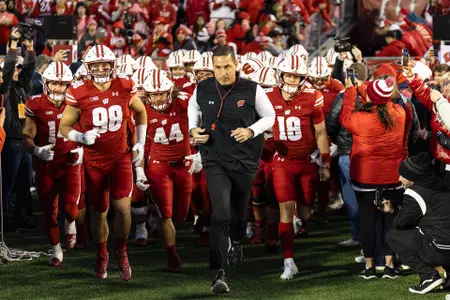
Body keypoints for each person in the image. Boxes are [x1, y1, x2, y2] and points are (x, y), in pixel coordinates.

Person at [187, 46, 275, 294]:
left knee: (237, 214)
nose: (223, 72)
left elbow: (270, 116)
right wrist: (194, 129)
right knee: (220, 214)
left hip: (245, 161)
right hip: (214, 158)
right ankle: (218, 274)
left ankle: (236, 241)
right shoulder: (202, 88)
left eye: (227, 66)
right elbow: (193, 108)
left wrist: (251, 131)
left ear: (236, 64)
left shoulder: (252, 88)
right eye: (218, 67)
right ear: (212, 67)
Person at [59, 45, 147, 281]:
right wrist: (80, 137)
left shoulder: (126, 86)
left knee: (123, 209)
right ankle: (102, 254)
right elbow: (64, 127)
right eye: (95, 65)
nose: (100, 69)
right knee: (99, 212)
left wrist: (141, 143)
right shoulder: (78, 91)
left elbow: (141, 112)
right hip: (94, 161)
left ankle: (121, 251)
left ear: (112, 65)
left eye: (104, 64)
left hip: (121, 158)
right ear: (87, 67)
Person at [266, 55, 331, 280]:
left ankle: (297, 216)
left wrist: (325, 163)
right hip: (282, 162)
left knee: (306, 212)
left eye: (297, 75)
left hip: (307, 162)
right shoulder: (267, 97)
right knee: (285, 211)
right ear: (280, 74)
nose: (293, 79)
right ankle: (288, 262)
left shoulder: (313, 97)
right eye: (289, 74)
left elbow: (321, 132)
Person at [340, 76, 406, 279]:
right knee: (390, 222)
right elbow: (379, 100)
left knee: (367, 222)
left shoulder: (360, 118)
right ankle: (388, 266)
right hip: (392, 176)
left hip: (365, 177)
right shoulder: (400, 113)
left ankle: (369, 268)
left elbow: (344, 117)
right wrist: (362, 88)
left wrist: (351, 90)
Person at [22, 62, 84, 266]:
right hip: (46, 165)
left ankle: (71, 223)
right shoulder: (35, 103)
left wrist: (83, 148)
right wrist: (37, 150)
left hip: (70, 161)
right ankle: (56, 251)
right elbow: (27, 136)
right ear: (45, 83)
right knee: (49, 211)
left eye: (62, 84)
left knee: (71, 210)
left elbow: (88, 129)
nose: (58, 88)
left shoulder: (76, 102)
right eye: (54, 83)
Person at [142, 69, 194, 272]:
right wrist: (139, 169)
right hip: (159, 166)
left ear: (170, 91)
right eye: (153, 94)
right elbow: (139, 143)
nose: (158, 97)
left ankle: (156, 216)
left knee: (182, 214)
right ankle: (172, 256)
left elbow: (205, 123)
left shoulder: (185, 102)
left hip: (184, 163)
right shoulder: (142, 110)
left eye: (162, 93)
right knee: (167, 214)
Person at [384, 153, 450, 294]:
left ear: (413, 178)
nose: (399, 178)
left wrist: (392, 211)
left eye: (403, 175)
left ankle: (428, 276)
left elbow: (400, 223)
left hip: (440, 250)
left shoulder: (415, 193)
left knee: (392, 235)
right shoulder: (443, 185)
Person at [2, 28, 37, 233]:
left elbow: (30, 72)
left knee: (24, 182)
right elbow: (7, 72)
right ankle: (5, 218)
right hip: (10, 142)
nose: (18, 70)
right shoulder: (4, 89)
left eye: (19, 67)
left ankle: (20, 215)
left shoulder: (22, 87)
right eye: (15, 67)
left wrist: (30, 50)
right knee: (8, 183)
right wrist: (13, 46)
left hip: (22, 141)